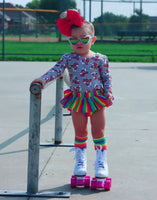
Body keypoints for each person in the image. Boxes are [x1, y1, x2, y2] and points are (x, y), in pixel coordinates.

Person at [31, 9, 113, 187]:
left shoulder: (100, 58)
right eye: (73, 39)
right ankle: (80, 162)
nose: (79, 42)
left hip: (97, 100)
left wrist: (109, 93)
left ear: (93, 39)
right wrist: (42, 80)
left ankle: (101, 163)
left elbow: (106, 77)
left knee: (98, 132)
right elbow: (56, 70)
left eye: (84, 38)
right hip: (77, 100)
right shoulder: (68, 58)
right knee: (80, 132)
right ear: (68, 40)